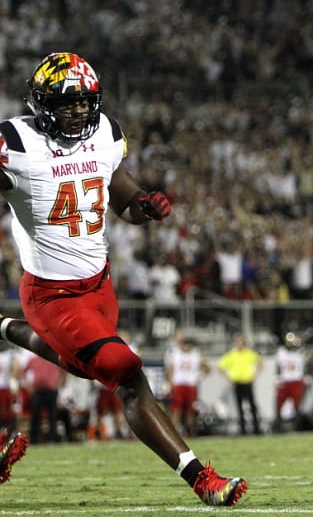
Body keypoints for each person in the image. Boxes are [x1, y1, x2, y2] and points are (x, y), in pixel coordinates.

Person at [0, 53, 246, 505]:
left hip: (101, 286)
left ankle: (4, 327)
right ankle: (202, 480)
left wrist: (145, 206)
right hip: (52, 295)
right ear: (40, 102)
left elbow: (123, 199)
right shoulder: (15, 142)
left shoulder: (105, 134)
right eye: (64, 102)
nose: (76, 112)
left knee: (85, 365)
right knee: (127, 374)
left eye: (83, 102)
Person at [164, 330, 210, 437]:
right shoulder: (175, 354)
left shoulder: (196, 355)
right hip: (178, 384)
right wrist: (170, 383)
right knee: (176, 409)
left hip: (191, 385)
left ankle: (190, 430)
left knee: (191, 409)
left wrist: (200, 377)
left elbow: (207, 368)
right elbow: (169, 370)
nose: (186, 347)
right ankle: (173, 430)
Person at [217, 334, 263, 435]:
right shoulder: (232, 354)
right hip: (237, 382)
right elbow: (220, 366)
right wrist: (228, 378)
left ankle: (256, 428)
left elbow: (260, 363)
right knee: (239, 406)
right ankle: (243, 429)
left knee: (252, 405)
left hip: (247, 382)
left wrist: (255, 375)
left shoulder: (249, 353)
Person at [23, 354, 66, 444]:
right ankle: (34, 440)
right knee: (35, 417)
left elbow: (64, 371)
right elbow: (23, 372)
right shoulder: (34, 359)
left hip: (51, 391)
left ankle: (52, 440)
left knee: (52, 416)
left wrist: (59, 384)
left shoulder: (54, 358)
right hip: (37, 392)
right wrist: (29, 387)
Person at [273, 332, 307, 432]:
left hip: (296, 381)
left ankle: (296, 428)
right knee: (279, 404)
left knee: (297, 406)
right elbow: (278, 368)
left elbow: (307, 363)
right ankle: (278, 427)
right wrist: (277, 379)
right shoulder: (281, 353)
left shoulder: (301, 352)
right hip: (285, 381)